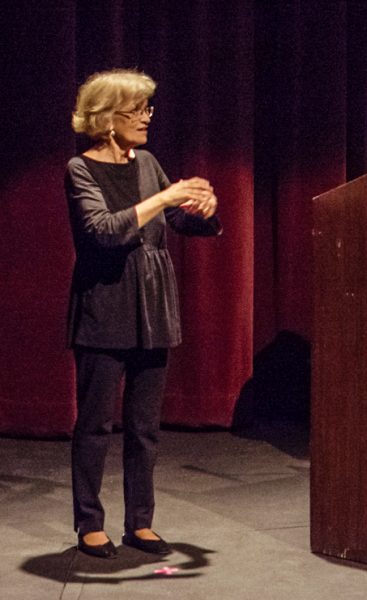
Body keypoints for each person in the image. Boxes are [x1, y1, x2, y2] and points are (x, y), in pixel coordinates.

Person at [65, 69, 221, 558]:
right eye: (138, 110)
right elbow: (104, 232)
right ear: (108, 118)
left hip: (153, 306)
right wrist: (166, 196)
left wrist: (203, 210)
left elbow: (176, 219)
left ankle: (140, 522)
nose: (148, 117)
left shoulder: (148, 161)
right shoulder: (80, 169)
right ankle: (90, 522)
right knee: (95, 425)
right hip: (104, 306)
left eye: (148, 108)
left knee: (144, 426)